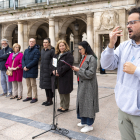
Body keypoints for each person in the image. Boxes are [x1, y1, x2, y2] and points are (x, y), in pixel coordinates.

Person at [101, 7, 140, 140]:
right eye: (128, 23)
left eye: (133, 22)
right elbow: (107, 65)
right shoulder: (124, 46)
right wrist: (111, 45)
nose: (128, 26)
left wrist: (136, 70)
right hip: (123, 109)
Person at [72, 41, 99, 133]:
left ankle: (89, 124)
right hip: (82, 84)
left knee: (88, 104)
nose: (79, 51)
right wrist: (75, 70)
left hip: (89, 85)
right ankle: (83, 121)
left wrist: (79, 70)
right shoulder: (84, 57)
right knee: (82, 102)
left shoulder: (92, 58)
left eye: (80, 49)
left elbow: (91, 73)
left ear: (85, 48)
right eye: (78, 49)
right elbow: (81, 70)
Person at [51, 40, 74, 112]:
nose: (61, 47)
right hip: (58, 76)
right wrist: (53, 71)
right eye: (60, 46)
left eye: (63, 45)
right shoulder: (56, 54)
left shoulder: (69, 54)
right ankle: (61, 105)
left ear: (65, 46)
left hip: (65, 75)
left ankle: (65, 106)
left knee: (65, 91)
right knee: (60, 90)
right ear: (58, 47)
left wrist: (58, 71)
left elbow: (67, 65)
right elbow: (52, 64)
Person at [22, 38, 40, 103]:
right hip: (26, 70)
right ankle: (29, 96)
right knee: (28, 84)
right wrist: (24, 66)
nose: (31, 42)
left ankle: (35, 97)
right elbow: (23, 59)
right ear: (28, 42)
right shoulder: (26, 50)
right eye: (30, 41)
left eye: (33, 41)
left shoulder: (36, 51)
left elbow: (35, 60)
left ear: (35, 42)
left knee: (33, 84)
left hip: (32, 69)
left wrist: (27, 66)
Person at [40, 38, 55, 106]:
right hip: (43, 71)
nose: (44, 44)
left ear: (49, 43)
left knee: (49, 87)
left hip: (49, 71)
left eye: (46, 42)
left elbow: (54, 61)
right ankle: (47, 99)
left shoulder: (52, 51)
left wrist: (53, 69)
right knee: (46, 86)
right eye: (44, 42)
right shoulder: (42, 51)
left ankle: (50, 100)